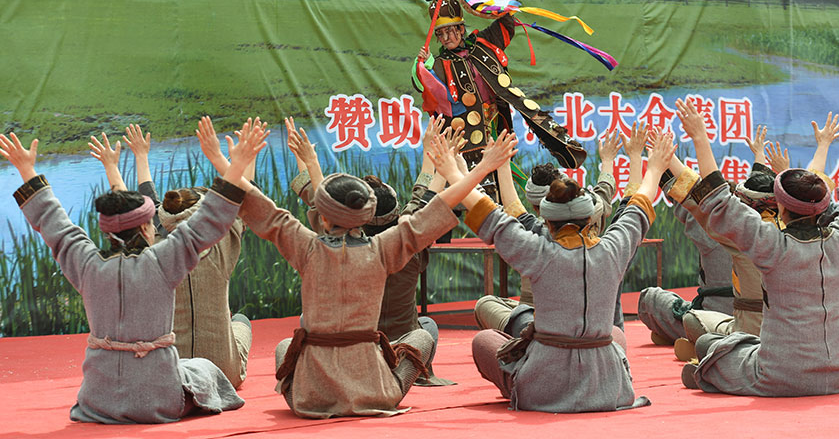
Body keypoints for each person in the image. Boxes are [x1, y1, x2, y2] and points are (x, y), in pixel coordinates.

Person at [197, 116, 518, 418]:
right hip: (375, 393)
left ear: (322, 218)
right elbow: (438, 205)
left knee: (285, 346)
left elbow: (258, 205)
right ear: (365, 216)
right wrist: (483, 168)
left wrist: (225, 162)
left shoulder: (307, 247)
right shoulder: (383, 249)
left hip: (310, 398)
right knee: (421, 337)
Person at [0, 119, 267, 424]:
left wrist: (26, 170)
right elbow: (210, 220)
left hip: (97, 403)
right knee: (202, 369)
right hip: (159, 401)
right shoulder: (163, 261)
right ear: (145, 227)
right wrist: (238, 165)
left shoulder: (86, 263)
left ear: (105, 230)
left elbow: (53, 223)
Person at [674, 96, 839, 396]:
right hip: (838, 374)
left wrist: (700, 136)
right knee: (733, 345)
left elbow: (719, 201)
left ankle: (709, 372)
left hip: (778, 375)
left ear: (781, 207)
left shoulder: (770, 244)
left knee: (712, 346)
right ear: (824, 205)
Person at [458, 130, 676, 412]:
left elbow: (496, 217)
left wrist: (462, 171)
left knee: (484, 340)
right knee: (614, 334)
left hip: (543, 386)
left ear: (546, 220)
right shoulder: (613, 248)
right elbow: (637, 206)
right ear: (590, 219)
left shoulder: (536, 248)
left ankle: (522, 385)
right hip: (607, 385)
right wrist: (654, 166)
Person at [285, 115, 454, 385]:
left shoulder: (336, 246)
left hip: (352, 352)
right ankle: (408, 375)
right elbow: (427, 196)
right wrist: (438, 159)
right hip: (399, 349)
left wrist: (306, 158)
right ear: (396, 212)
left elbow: (318, 197)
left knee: (307, 319)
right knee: (428, 327)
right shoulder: (404, 243)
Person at [90, 124, 254, 389]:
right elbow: (247, 200)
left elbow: (135, 211)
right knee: (240, 320)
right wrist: (246, 158)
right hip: (223, 376)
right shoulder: (223, 243)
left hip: (169, 373)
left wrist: (125, 162)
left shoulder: (152, 255)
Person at [412, 0, 586, 182]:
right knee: (483, 180)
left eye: (450, 31)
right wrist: (425, 64)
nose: (446, 38)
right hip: (470, 133)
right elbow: (427, 87)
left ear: (461, 28)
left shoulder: (484, 41)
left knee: (502, 169)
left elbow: (506, 21)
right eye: (440, 33)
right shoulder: (439, 64)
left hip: (496, 121)